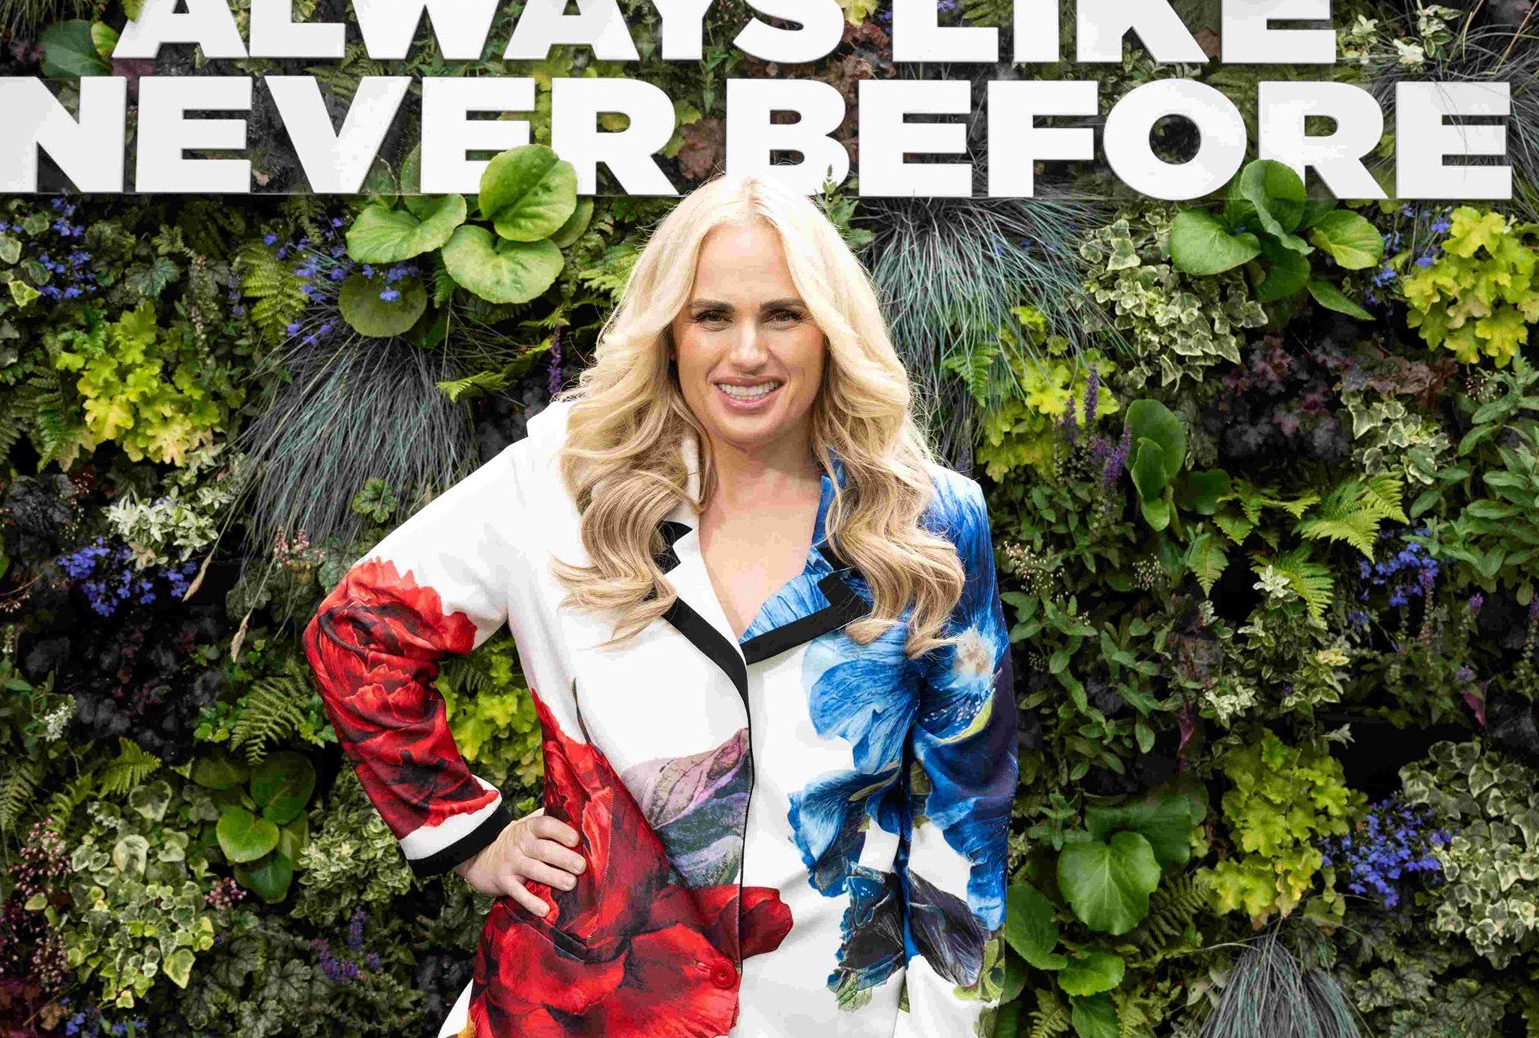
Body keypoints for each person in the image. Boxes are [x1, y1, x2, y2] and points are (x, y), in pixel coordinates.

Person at [303, 172, 1019, 1038]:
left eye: (783, 314)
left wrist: (941, 1030)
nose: (746, 351)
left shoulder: (930, 520)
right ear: (668, 333)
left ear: (831, 331)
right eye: (712, 315)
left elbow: (965, 812)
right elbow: (360, 633)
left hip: (820, 1012)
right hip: (574, 1009)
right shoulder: (565, 481)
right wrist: (469, 831)